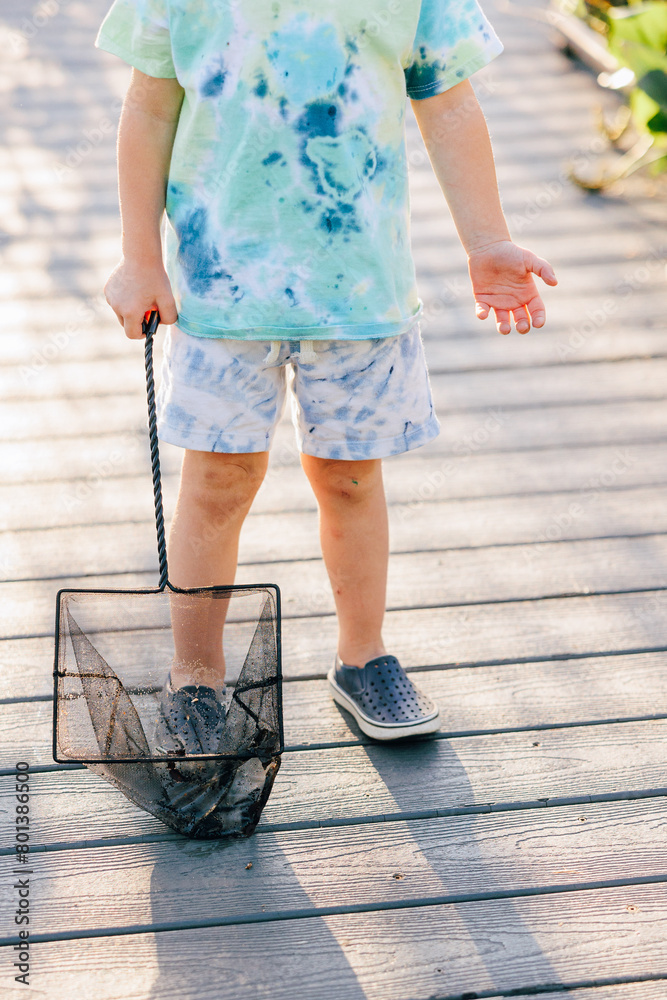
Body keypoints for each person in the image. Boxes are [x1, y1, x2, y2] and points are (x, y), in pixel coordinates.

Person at [97, 0, 557, 746]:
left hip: (359, 291)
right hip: (221, 294)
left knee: (349, 477)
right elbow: (150, 107)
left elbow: (447, 103)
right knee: (217, 481)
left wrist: (486, 240)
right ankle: (196, 676)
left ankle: (361, 658)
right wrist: (139, 257)